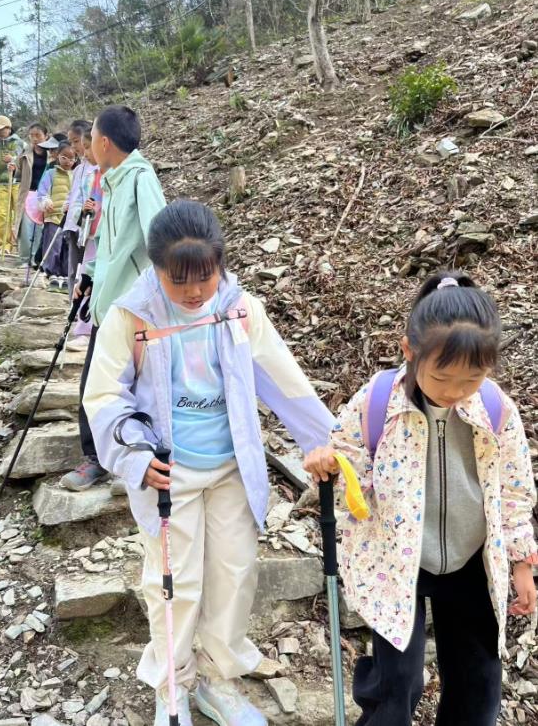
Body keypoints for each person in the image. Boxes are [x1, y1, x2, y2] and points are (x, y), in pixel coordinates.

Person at [83, 200, 336, 725]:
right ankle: (172, 686)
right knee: (173, 582)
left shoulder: (240, 310)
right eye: (178, 280)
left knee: (233, 574)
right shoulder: (131, 316)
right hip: (167, 473)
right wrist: (133, 454)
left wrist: (328, 440)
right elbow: (104, 396)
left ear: (220, 262)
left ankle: (219, 680)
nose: (195, 291)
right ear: (155, 269)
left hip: (231, 467)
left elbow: (283, 379)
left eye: (205, 276)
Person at [304, 272, 538, 726]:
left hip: (472, 559)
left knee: (477, 679)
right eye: (443, 376)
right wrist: (328, 463)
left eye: (472, 378)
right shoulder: (378, 403)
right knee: (397, 681)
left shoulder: (495, 409)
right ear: (409, 351)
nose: (455, 391)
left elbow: (513, 491)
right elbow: (349, 464)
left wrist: (522, 563)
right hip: (397, 559)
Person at [60, 104, 166, 492]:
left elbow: (160, 237)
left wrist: (152, 298)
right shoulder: (112, 182)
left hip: (133, 309)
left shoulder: (140, 178)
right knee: (97, 385)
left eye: (90, 139)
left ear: (104, 142)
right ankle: (102, 458)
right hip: (108, 306)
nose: (88, 146)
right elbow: (107, 241)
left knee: (126, 388)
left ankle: (122, 460)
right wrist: (89, 274)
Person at [36, 140, 76, 289]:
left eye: (71, 158)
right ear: (57, 155)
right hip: (53, 216)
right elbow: (42, 192)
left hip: (69, 218)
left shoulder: (76, 175)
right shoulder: (50, 174)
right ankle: (51, 272)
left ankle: (65, 274)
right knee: (53, 245)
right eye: (64, 157)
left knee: (67, 246)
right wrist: (46, 202)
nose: (68, 161)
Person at [64, 119, 94, 297]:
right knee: (73, 269)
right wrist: (67, 205)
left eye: (76, 141)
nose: (74, 146)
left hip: (88, 226)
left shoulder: (97, 168)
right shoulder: (78, 169)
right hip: (72, 224)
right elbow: (72, 193)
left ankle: (83, 306)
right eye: (71, 142)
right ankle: (71, 303)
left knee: (86, 269)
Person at [0, 115, 24, 253]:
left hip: (17, 183)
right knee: (2, 214)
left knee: (19, 214)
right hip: (2, 184)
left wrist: (13, 159)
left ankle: (20, 245)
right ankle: (4, 245)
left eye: (1, 129)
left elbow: (25, 160)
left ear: (9, 128)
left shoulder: (19, 143)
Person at [15, 122, 49, 267]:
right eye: (32, 135)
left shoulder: (52, 155)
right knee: (26, 228)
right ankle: (24, 259)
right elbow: (17, 174)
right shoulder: (25, 154)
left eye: (38, 135)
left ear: (46, 136)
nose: (35, 139)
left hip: (45, 195)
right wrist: (13, 167)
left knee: (40, 227)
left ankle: (36, 258)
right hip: (28, 194)